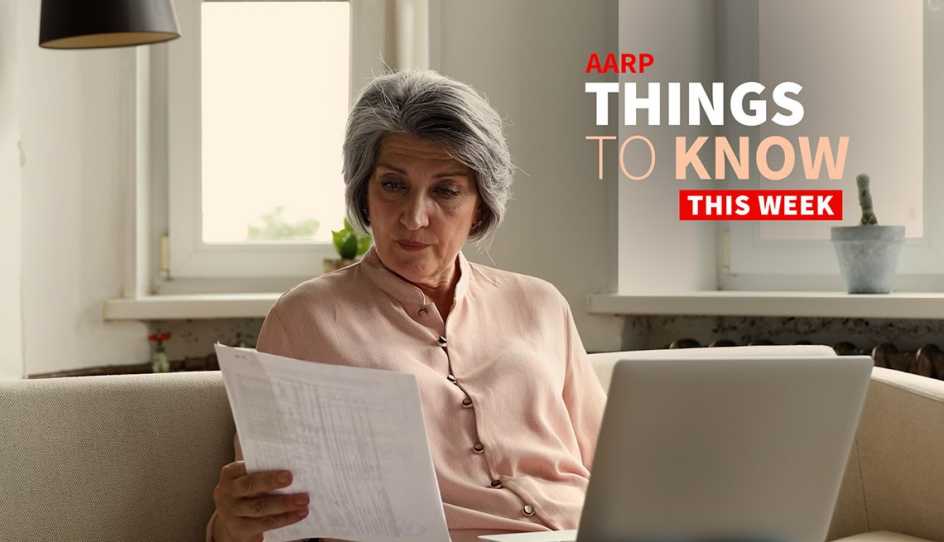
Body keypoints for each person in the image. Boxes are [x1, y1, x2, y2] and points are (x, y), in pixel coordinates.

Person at [207, 70, 606, 542]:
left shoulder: (541, 304)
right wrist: (232, 525)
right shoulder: (305, 319)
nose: (414, 218)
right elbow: (269, 517)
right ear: (364, 193)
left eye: (446, 190)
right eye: (393, 186)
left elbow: (614, 466)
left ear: (481, 205)